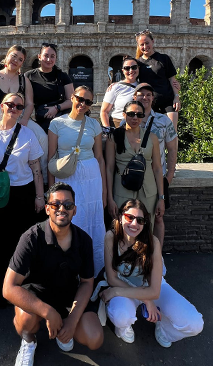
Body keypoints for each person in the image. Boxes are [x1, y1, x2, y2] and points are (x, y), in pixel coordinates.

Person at [3, 182, 104, 366]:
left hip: (68, 295)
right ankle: (29, 341)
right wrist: (47, 312)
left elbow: (86, 282)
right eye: (56, 204)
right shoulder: (31, 237)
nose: (61, 208)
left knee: (94, 338)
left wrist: (72, 320)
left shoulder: (84, 240)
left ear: (74, 210)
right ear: (47, 208)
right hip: (38, 293)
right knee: (25, 322)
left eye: (68, 205)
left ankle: (62, 328)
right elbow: (8, 288)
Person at [95, 199, 203, 347]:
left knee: (194, 323)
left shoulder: (152, 242)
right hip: (123, 284)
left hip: (149, 286)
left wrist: (115, 292)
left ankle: (164, 330)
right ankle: (123, 328)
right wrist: (146, 300)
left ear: (145, 223)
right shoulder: (111, 237)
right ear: (120, 217)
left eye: (140, 220)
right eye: (129, 217)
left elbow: (154, 291)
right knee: (121, 316)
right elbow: (112, 278)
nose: (134, 224)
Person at [0, 92, 45, 308]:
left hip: (22, 193)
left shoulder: (27, 134)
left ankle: (20, 293)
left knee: (21, 245)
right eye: (10, 104)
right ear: (2, 106)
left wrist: (40, 196)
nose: (14, 109)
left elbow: (36, 168)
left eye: (19, 106)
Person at [48, 86, 106, 275]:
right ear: (72, 98)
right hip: (67, 176)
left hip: (91, 177)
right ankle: (69, 269)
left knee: (92, 221)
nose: (83, 104)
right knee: (70, 218)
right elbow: (51, 159)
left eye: (88, 102)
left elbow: (100, 158)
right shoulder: (57, 123)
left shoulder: (94, 124)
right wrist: (51, 192)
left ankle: (92, 271)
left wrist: (104, 191)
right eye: (80, 99)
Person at [0, 44, 48, 177]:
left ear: (22, 63)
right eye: (14, 56)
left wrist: (24, 120)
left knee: (42, 138)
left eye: (20, 59)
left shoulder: (24, 80)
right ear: (7, 56)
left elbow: (29, 103)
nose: (16, 61)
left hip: (19, 116)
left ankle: (44, 177)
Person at [105, 101, 165, 240]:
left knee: (146, 227)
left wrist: (161, 198)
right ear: (124, 115)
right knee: (122, 227)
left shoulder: (152, 138)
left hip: (147, 189)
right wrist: (110, 198)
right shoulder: (114, 137)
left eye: (139, 115)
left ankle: (145, 254)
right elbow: (109, 168)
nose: (135, 118)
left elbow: (157, 168)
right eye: (131, 114)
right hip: (122, 188)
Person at [132, 83, 178, 205]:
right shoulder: (127, 120)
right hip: (133, 175)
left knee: (157, 213)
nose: (145, 98)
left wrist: (169, 175)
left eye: (148, 95)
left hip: (156, 177)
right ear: (134, 97)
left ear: (153, 98)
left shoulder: (164, 120)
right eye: (141, 94)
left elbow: (172, 149)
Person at [135, 30, 181, 130]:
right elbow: (131, 79)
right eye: (141, 44)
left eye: (147, 43)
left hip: (168, 101)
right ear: (138, 46)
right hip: (148, 103)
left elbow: (172, 80)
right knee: (150, 133)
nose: (145, 46)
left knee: (172, 132)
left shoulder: (164, 58)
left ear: (153, 42)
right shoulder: (138, 63)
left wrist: (176, 97)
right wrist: (116, 84)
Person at [25, 43, 73, 134]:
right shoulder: (29, 75)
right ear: (39, 57)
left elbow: (72, 100)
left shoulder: (63, 76)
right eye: (46, 56)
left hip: (61, 118)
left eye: (52, 56)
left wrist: (57, 108)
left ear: (56, 58)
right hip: (40, 119)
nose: (49, 59)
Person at [100, 55, 140, 129]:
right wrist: (107, 129)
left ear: (138, 68)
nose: (131, 70)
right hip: (118, 126)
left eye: (134, 67)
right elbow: (104, 111)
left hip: (138, 127)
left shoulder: (143, 87)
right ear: (123, 71)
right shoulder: (115, 87)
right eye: (127, 68)